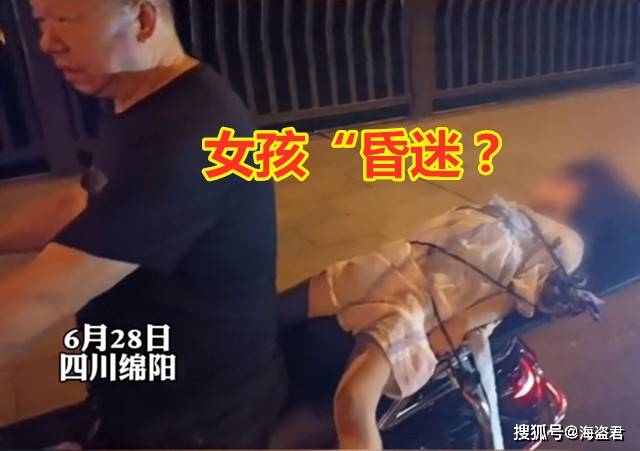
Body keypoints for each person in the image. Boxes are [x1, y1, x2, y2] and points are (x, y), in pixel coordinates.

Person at [0, 0, 286, 448]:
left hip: (194, 425)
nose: (46, 42)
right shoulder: (142, 97)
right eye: (42, 22)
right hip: (134, 393)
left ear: (143, 19)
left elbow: (34, 302)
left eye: (65, 20)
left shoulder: (189, 135)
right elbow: (87, 199)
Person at [276, 160, 624, 450]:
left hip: (416, 307)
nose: (554, 180)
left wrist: (462, 324)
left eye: (570, 179)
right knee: (269, 314)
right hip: (390, 268)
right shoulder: (507, 213)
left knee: (353, 401)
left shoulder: (566, 243)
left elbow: (512, 301)